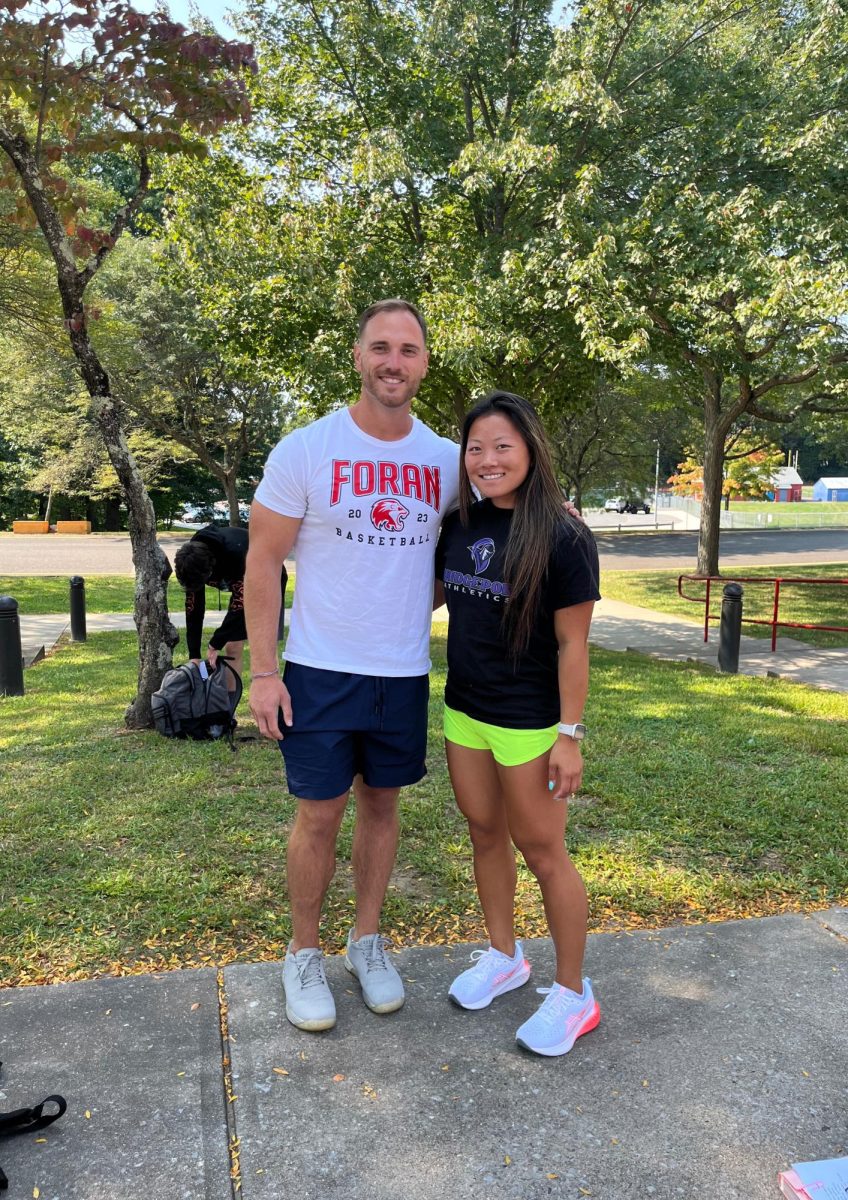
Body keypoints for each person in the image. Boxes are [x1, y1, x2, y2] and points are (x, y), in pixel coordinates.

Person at [244, 299, 460, 1032]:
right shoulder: (306, 449)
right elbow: (263, 563)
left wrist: (404, 603)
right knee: (319, 813)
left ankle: (366, 940)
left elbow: (459, 558)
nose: (393, 361)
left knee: (383, 806)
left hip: (400, 673)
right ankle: (302, 952)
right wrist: (266, 673)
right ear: (358, 355)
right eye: (380, 347)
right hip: (318, 670)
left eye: (408, 349)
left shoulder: (447, 462)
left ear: (425, 362)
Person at [433, 390, 601, 1057]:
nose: (488, 459)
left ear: (531, 448)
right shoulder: (460, 523)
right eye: (476, 448)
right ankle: (505, 957)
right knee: (483, 833)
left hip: (530, 722)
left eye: (503, 445)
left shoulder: (564, 536)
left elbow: (574, 646)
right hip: (465, 710)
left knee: (543, 852)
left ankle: (573, 994)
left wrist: (570, 735)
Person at [174, 523, 287, 687]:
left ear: (211, 569)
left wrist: (215, 642)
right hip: (239, 581)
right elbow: (194, 608)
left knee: (264, 646)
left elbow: (240, 606)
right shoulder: (192, 559)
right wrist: (194, 654)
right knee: (232, 647)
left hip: (269, 577)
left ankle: (271, 691)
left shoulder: (236, 554)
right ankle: (227, 707)